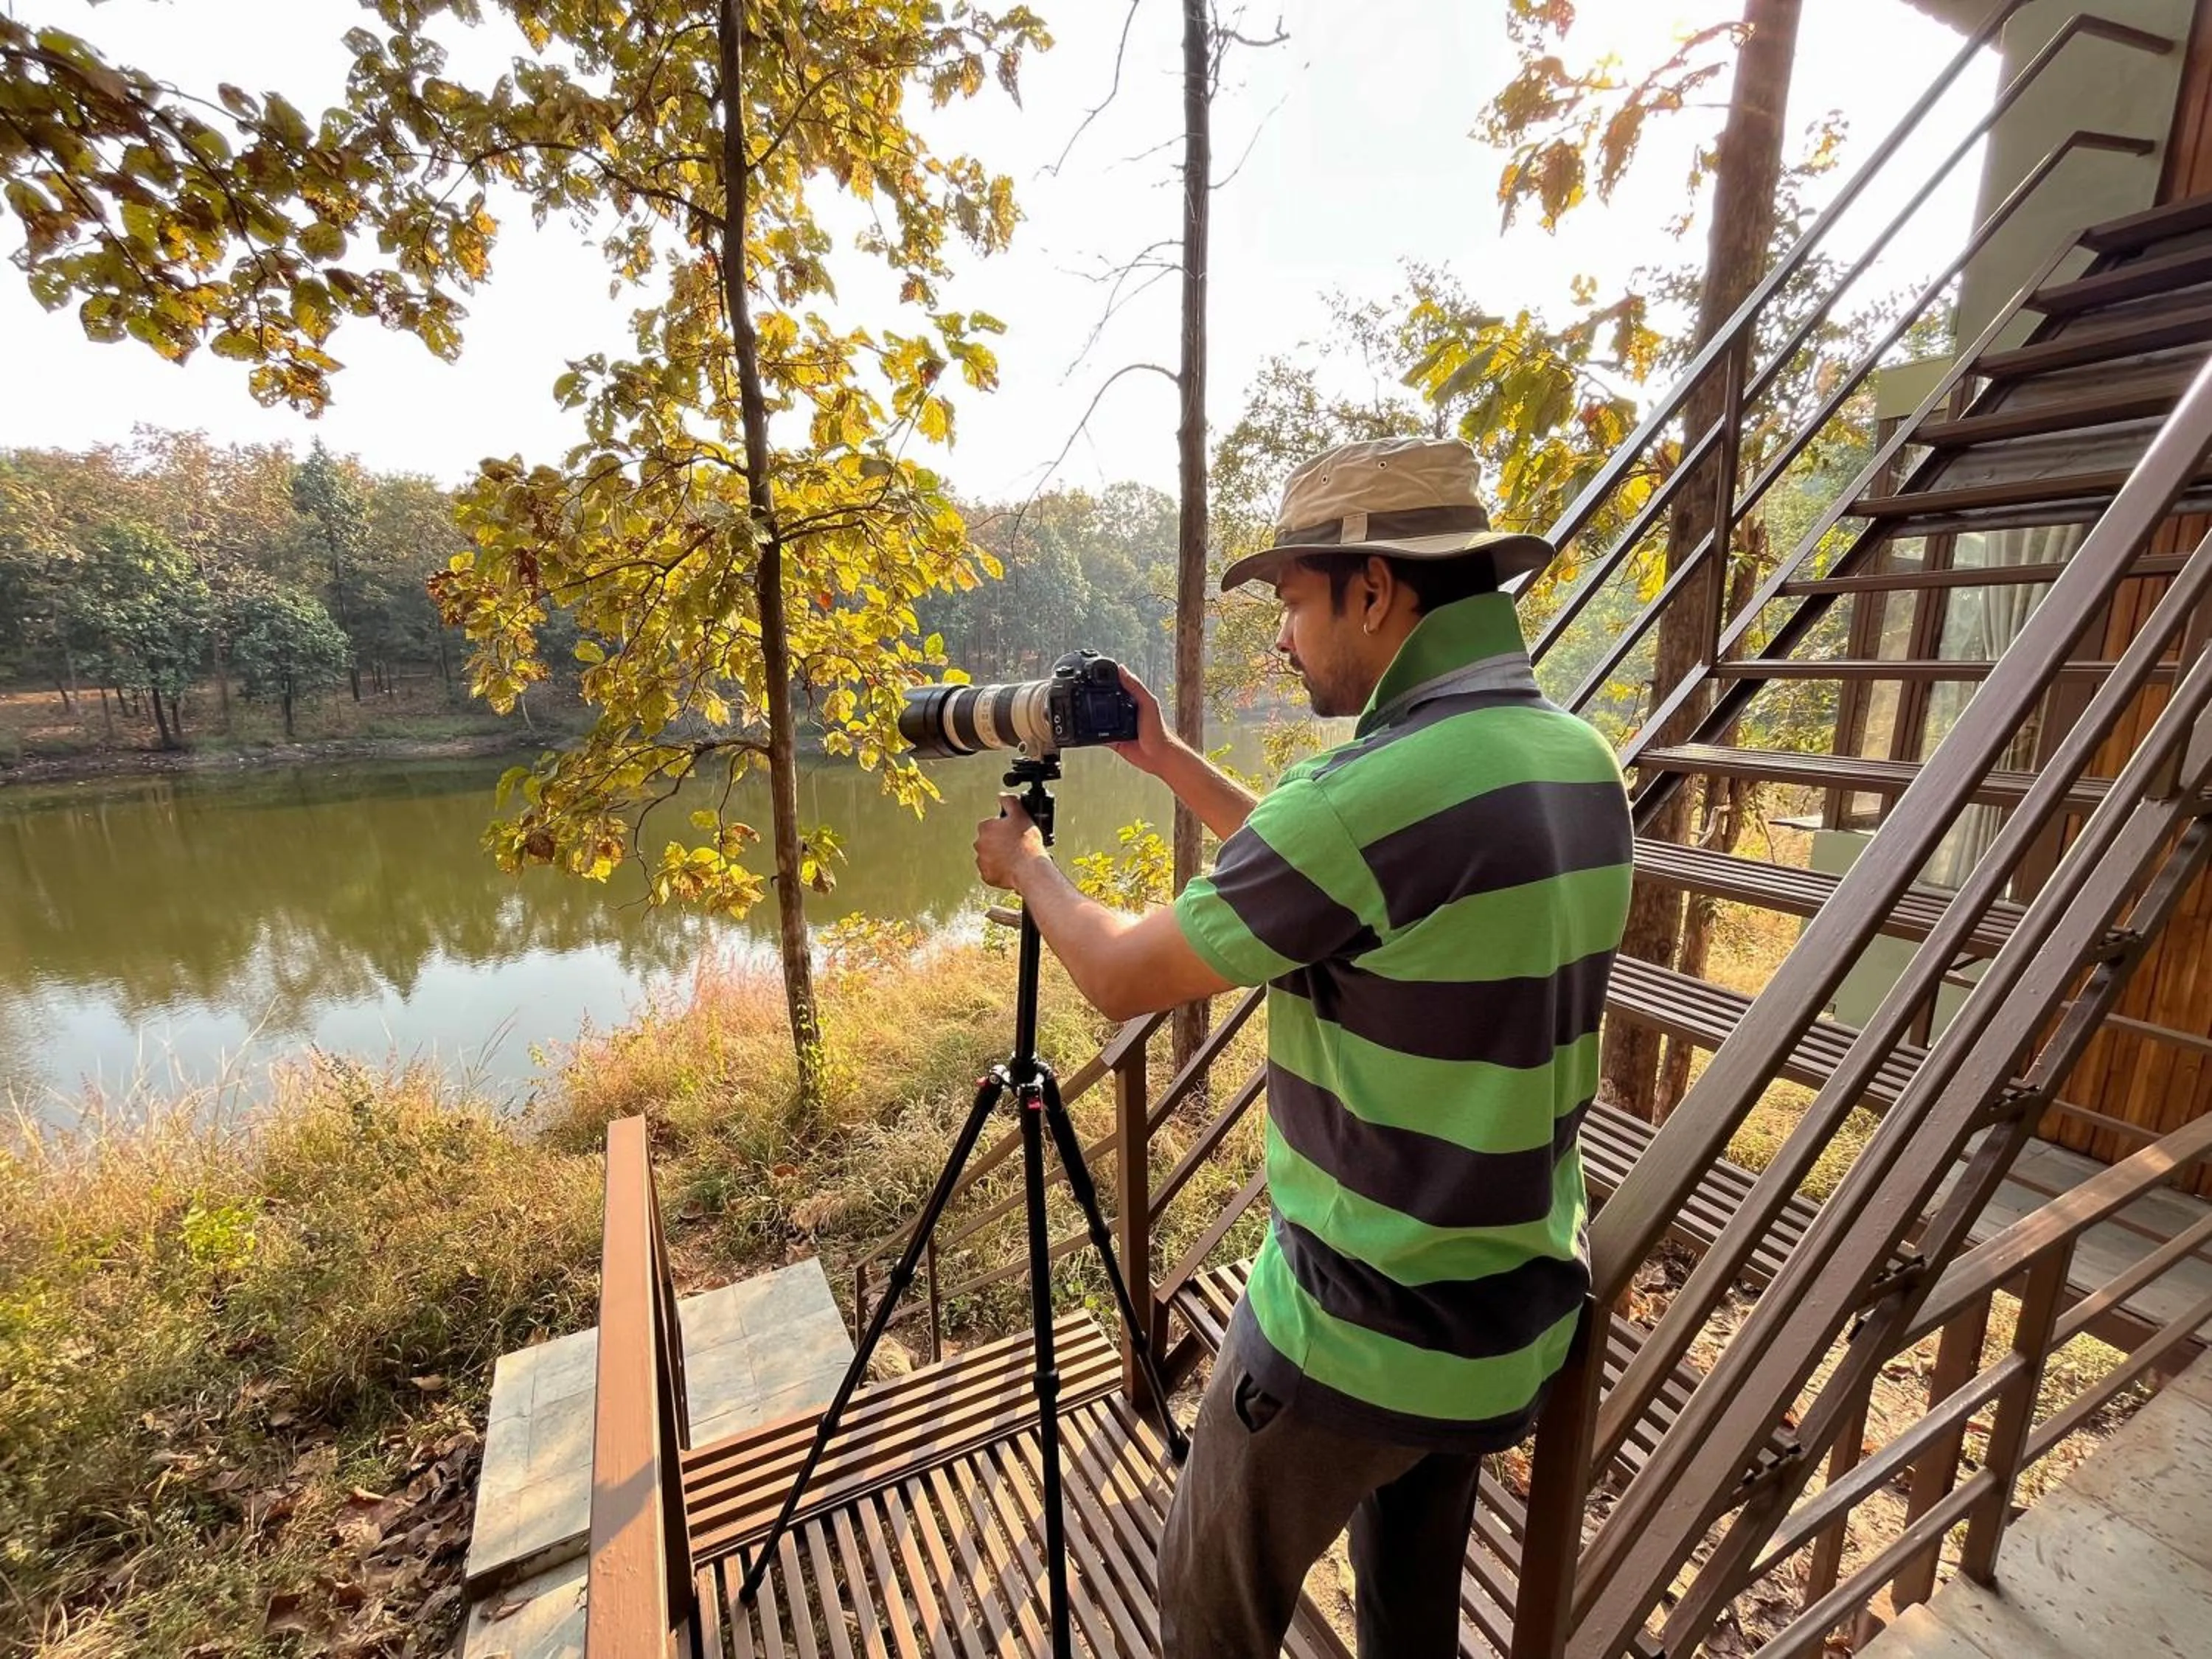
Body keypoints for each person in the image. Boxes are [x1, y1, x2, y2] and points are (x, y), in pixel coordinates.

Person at [970, 436, 1635, 1659]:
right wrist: (1165, 761)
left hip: (1359, 1331)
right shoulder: (1576, 761)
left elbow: (1120, 970)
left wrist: (1030, 870)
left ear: (1373, 589)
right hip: (1508, 1318)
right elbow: (1348, 876)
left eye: (1290, 600)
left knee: (1204, 1615)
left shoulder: (1373, 794)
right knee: (1410, 1630)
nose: (1282, 636)